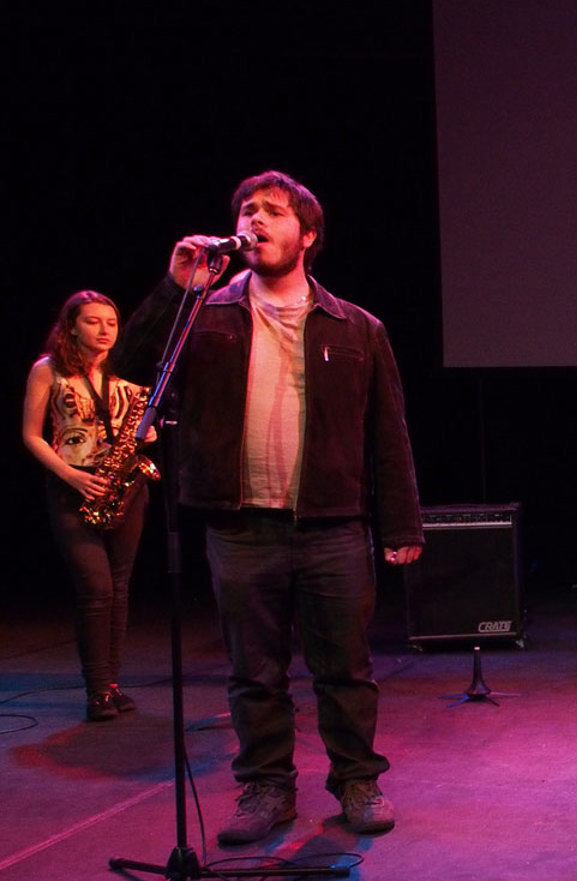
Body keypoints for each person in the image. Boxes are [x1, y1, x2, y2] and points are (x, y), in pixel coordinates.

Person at [114, 170, 424, 842]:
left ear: (307, 235)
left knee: (344, 668)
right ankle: (265, 790)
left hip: (333, 525)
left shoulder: (356, 328)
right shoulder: (208, 315)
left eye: (272, 212)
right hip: (240, 524)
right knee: (253, 673)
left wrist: (402, 523)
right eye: (246, 210)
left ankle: (357, 781)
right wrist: (176, 289)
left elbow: (387, 433)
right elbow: (133, 369)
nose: (255, 221)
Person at [21, 291, 152, 721]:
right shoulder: (49, 371)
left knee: (119, 588)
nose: (105, 330)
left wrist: (145, 437)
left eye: (111, 323)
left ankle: (112, 686)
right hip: (72, 485)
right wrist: (72, 475)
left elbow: (138, 426)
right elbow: (32, 435)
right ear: (71, 327)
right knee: (96, 589)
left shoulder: (123, 375)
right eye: (93, 322)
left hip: (123, 488)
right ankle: (97, 689)